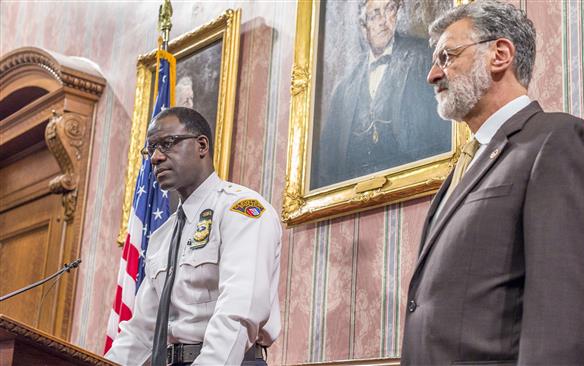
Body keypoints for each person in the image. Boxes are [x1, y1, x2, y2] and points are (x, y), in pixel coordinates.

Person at [401, 1, 584, 365]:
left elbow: (564, 314)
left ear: (500, 55)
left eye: (447, 56)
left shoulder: (555, 142)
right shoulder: (468, 162)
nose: (433, 75)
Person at [105, 107, 282, 365]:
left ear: (201, 145)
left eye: (167, 144)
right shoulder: (163, 236)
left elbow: (239, 311)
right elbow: (141, 332)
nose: (155, 157)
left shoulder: (240, 210)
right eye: (151, 149)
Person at [314, 0, 451, 188]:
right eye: (374, 15)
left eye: (390, 9)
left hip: (413, 182)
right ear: (364, 27)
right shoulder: (344, 89)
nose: (383, 21)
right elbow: (328, 163)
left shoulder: (422, 58)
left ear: (398, 13)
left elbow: (444, 130)